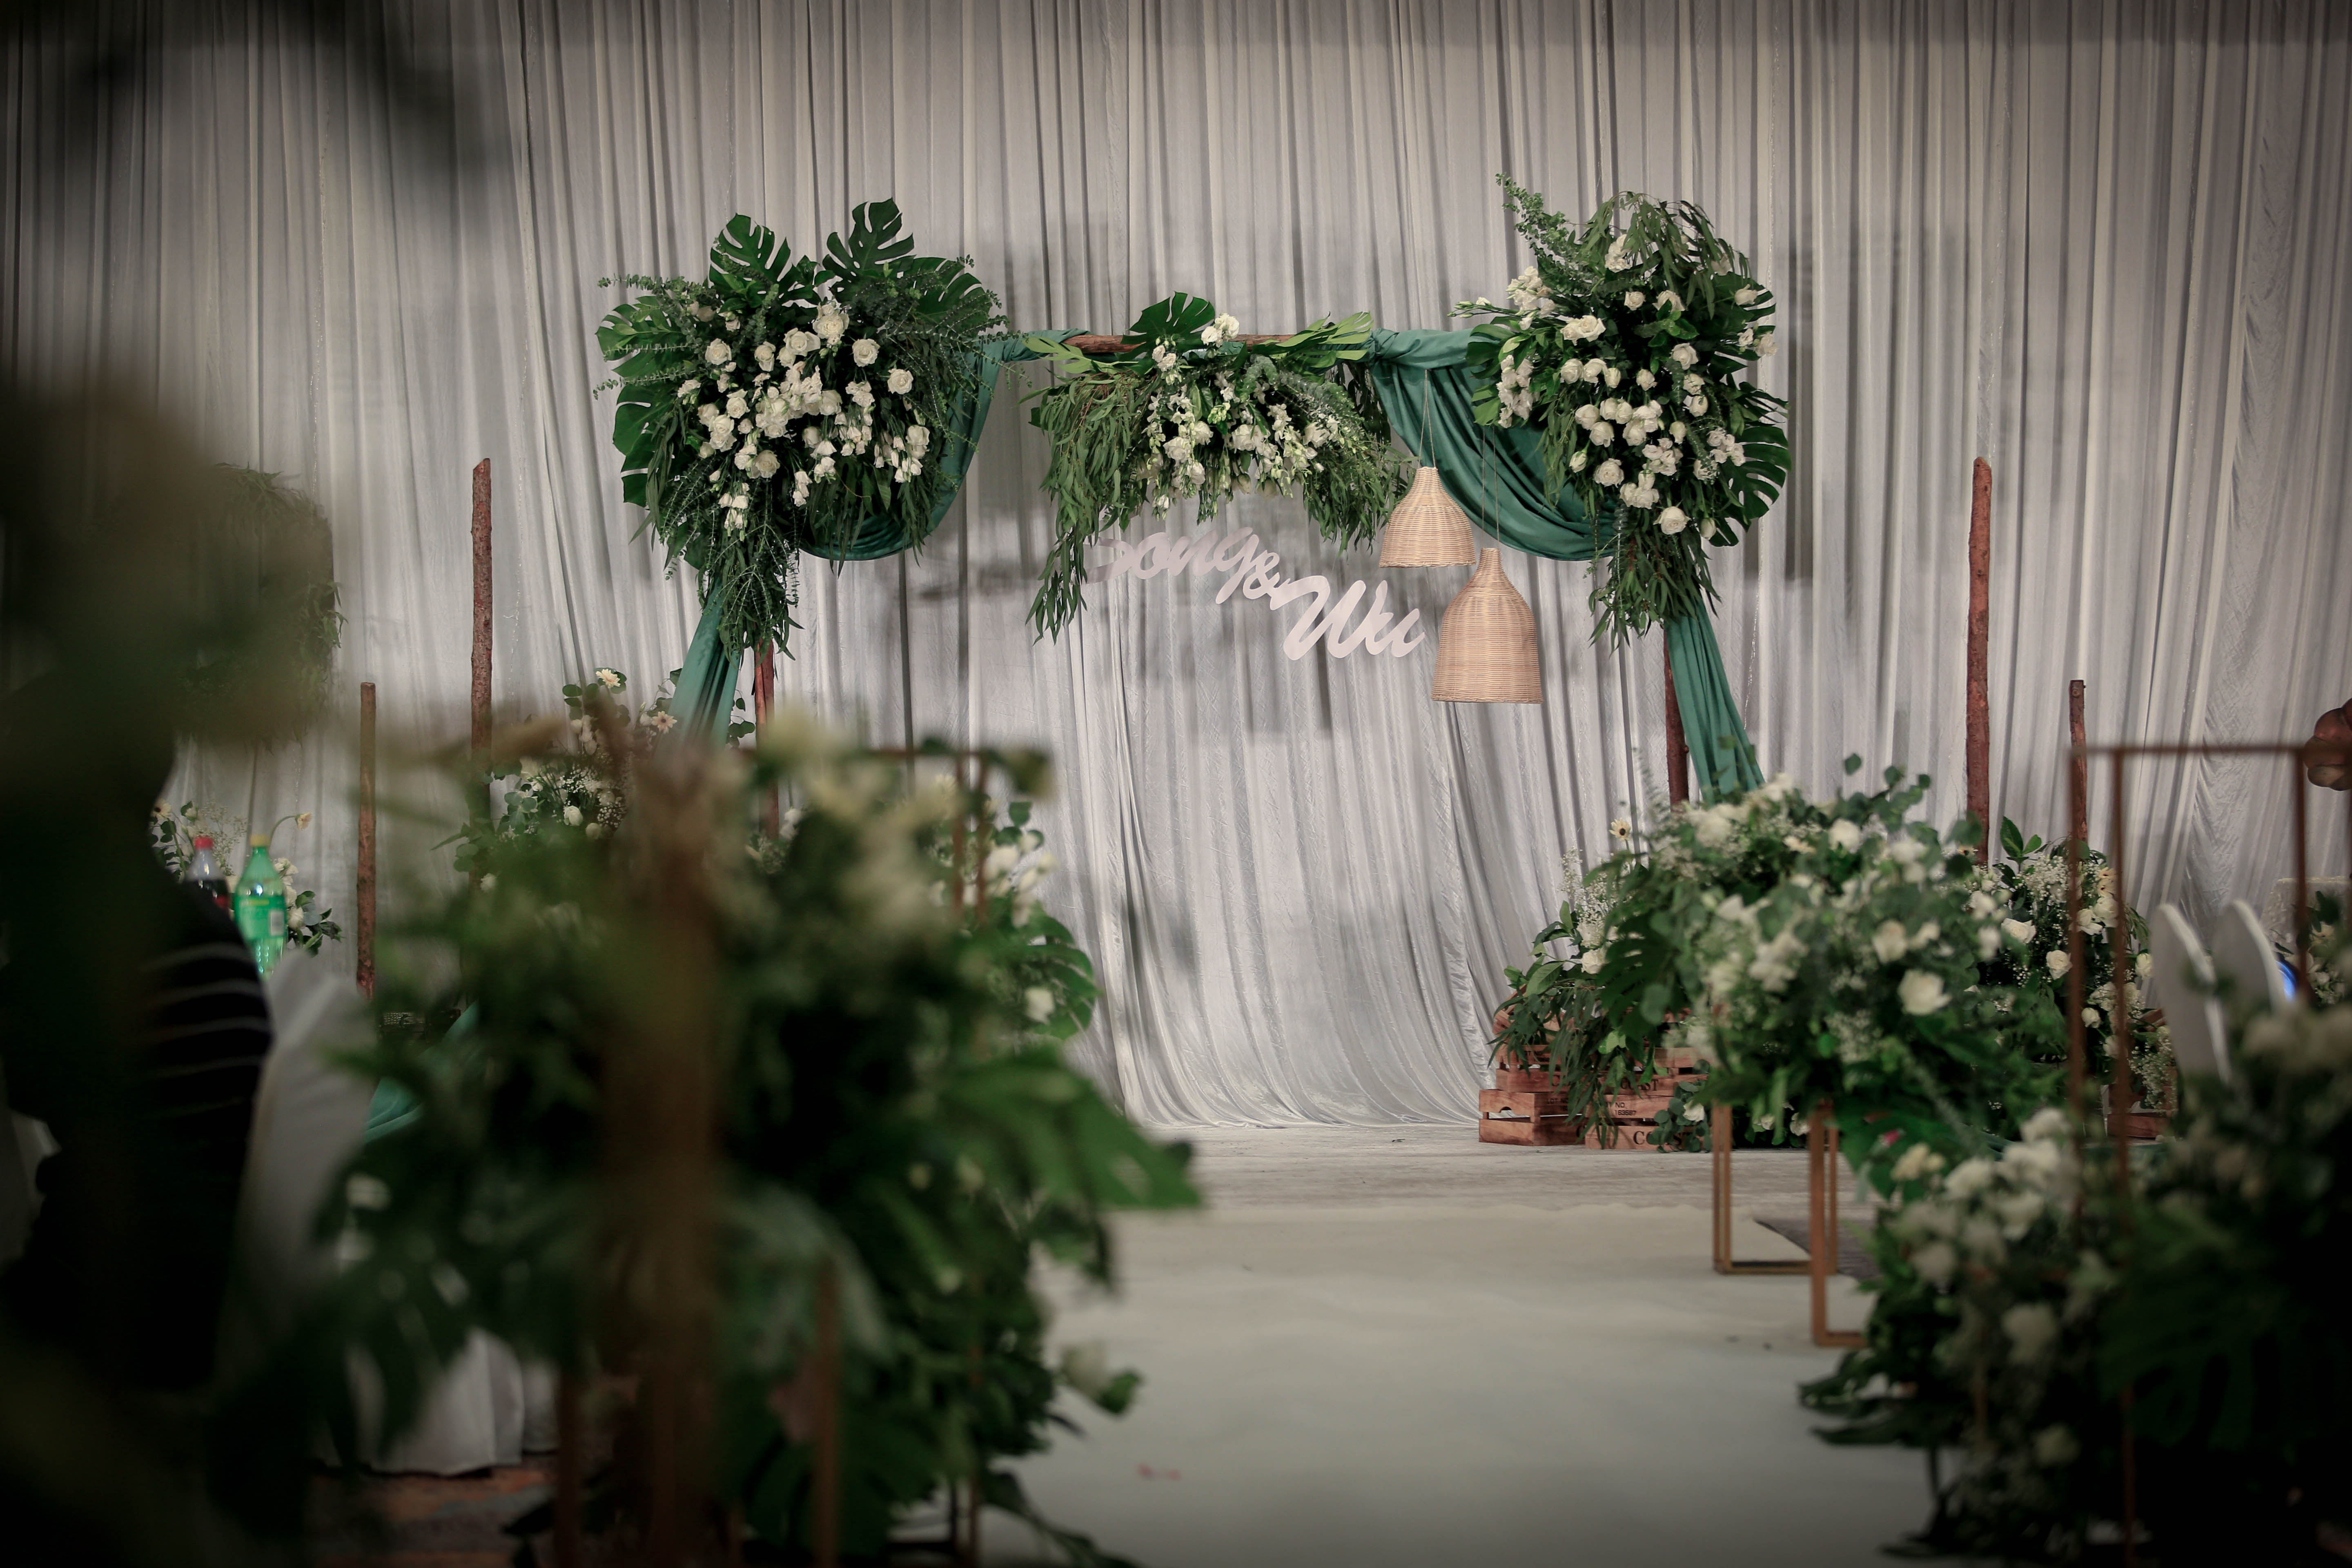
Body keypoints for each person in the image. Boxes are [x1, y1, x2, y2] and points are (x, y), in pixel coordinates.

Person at [0, 710, 272, 1392]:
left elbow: (30, 1085)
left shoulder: (100, 937)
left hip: (110, 1301)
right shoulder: (199, 923)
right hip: (195, 1287)